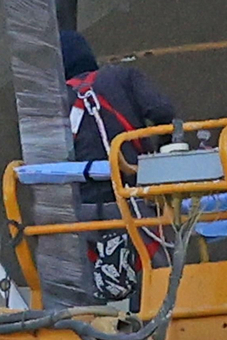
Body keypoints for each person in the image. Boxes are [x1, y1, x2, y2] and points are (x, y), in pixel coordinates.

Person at [60, 30, 177, 301]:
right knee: (158, 275)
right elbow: (163, 112)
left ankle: (90, 324)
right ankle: (152, 320)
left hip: (80, 214)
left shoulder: (56, 99)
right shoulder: (122, 77)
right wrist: (162, 153)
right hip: (134, 204)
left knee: (84, 291)